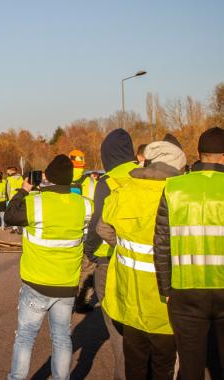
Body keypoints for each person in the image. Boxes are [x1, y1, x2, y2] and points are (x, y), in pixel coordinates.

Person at [98, 140, 186, 379]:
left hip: (131, 300)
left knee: (135, 367)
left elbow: (103, 229)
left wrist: (125, 247)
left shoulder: (124, 191)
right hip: (166, 306)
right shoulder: (181, 197)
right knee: (163, 367)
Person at [5, 155, 93, 380]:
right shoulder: (84, 205)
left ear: (48, 178)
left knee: (25, 337)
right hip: (67, 285)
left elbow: (10, 215)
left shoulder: (35, 202)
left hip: (36, 283)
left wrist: (24, 189)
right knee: (62, 337)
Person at [154, 127, 224, 380]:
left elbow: (161, 244)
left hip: (185, 291)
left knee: (191, 368)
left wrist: (166, 291)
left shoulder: (174, 188)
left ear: (199, 154)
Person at [84, 128, 139, 380]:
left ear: (107, 155)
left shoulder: (107, 181)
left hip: (110, 258)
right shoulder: (144, 175)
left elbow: (99, 222)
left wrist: (89, 251)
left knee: (117, 329)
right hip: (143, 259)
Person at [6, 167, 24, 234]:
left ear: (12, 171)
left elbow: (8, 189)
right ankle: (20, 227)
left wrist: (8, 197)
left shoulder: (9, 179)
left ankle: (15, 228)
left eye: (8, 171)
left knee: (13, 213)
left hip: (12, 197)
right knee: (19, 212)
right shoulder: (21, 178)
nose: (7, 173)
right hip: (21, 196)